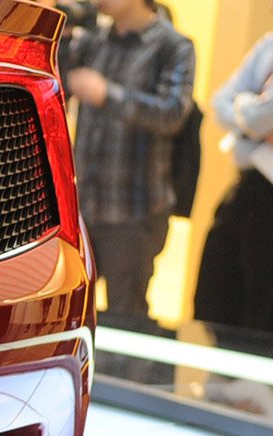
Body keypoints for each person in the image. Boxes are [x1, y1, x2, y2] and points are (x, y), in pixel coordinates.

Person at [61, 0, 196, 324]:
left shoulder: (173, 46)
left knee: (126, 318)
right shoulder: (94, 40)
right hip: (81, 208)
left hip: (135, 212)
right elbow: (56, 84)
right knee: (70, 313)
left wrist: (108, 95)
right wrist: (60, 31)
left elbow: (172, 114)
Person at [193, 32, 273, 334]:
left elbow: (259, 118)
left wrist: (246, 108)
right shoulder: (268, 43)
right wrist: (251, 109)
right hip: (250, 183)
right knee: (215, 293)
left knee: (260, 309)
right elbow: (220, 101)